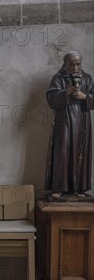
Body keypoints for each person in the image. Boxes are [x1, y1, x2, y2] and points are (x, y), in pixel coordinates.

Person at [46, 52, 94, 198]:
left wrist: (85, 97)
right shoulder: (58, 78)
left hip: (82, 120)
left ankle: (79, 188)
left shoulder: (87, 78)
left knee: (81, 152)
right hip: (64, 121)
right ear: (65, 64)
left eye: (78, 64)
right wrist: (66, 92)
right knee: (62, 153)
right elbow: (51, 98)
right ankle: (59, 188)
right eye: (71, 64)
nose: (75, 67)